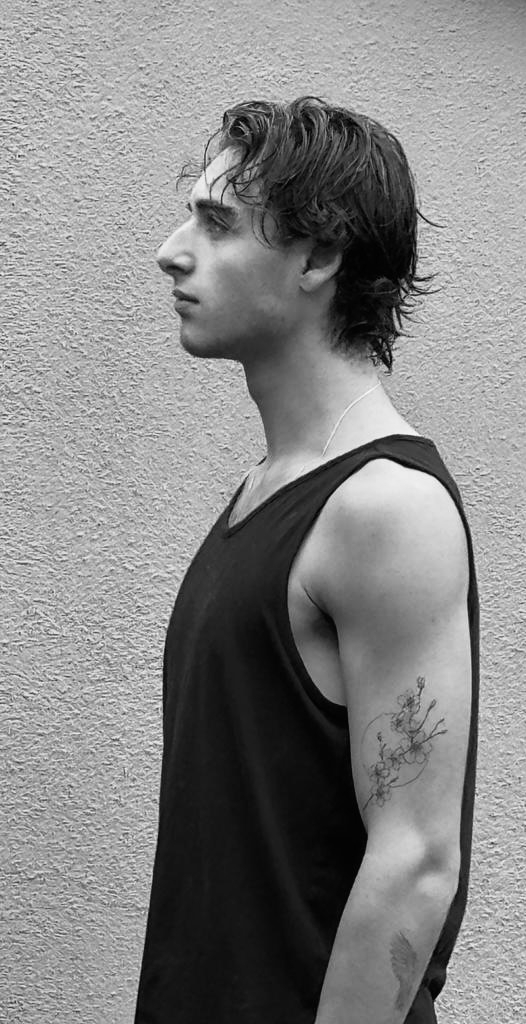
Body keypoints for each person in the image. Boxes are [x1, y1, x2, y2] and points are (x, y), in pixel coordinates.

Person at [134, 96, 480, 1024]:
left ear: (319, 258)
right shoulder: (268, 491)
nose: (172, 251)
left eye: (217, 224)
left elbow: (416, 863)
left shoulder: (386, 508)